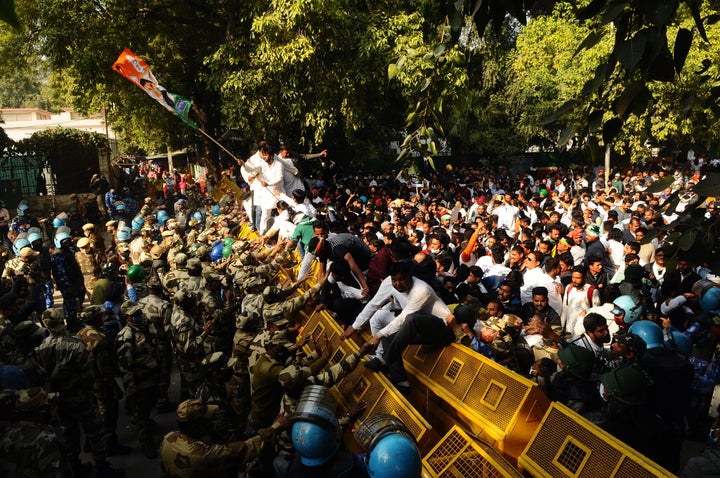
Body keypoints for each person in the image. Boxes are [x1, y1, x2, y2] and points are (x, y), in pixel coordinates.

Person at [160, 399, 284, 478]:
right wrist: (275, 427)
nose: (211, 421)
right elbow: (244, 450)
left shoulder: (168, 439)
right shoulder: (202, 453)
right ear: (195, 426)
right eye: (207, 420)